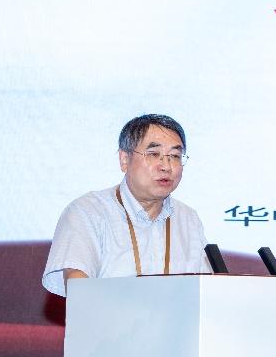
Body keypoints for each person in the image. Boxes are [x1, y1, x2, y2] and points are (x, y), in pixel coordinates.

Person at [42, 114, 211, 296]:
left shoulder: (188, 218)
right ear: (125, 160)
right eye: (154, 154)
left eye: (175, 156)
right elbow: (79, 292)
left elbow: (209, 292)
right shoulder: (88, 212)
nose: (166, 166)